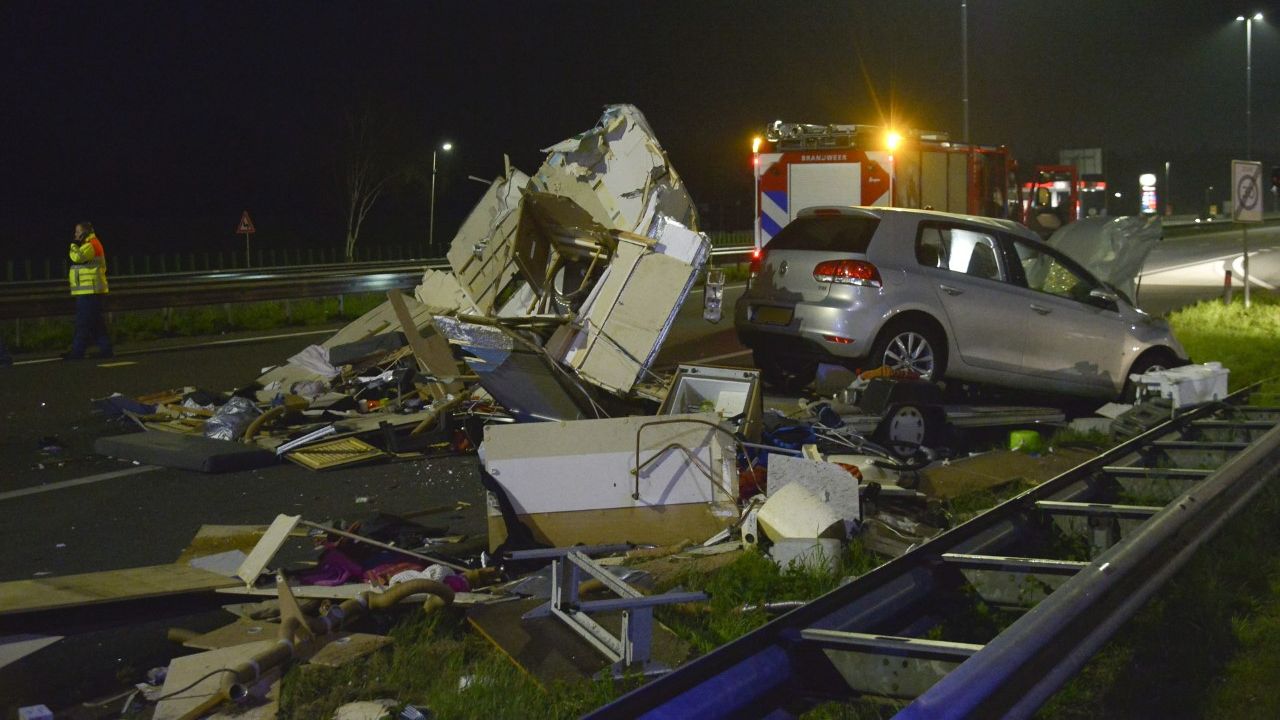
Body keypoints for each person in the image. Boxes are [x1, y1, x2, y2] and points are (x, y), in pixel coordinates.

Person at [63, 221, 113, 360]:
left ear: (84, 232)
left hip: (90, 291)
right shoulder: (91, 243)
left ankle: (77, 352)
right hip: (91, 290)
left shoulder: (91, 245)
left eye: (77, 232)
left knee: (83, 322)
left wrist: (73, 245)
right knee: (96, 323)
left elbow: (78, 257)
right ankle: (106, 349)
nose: (75, 234)